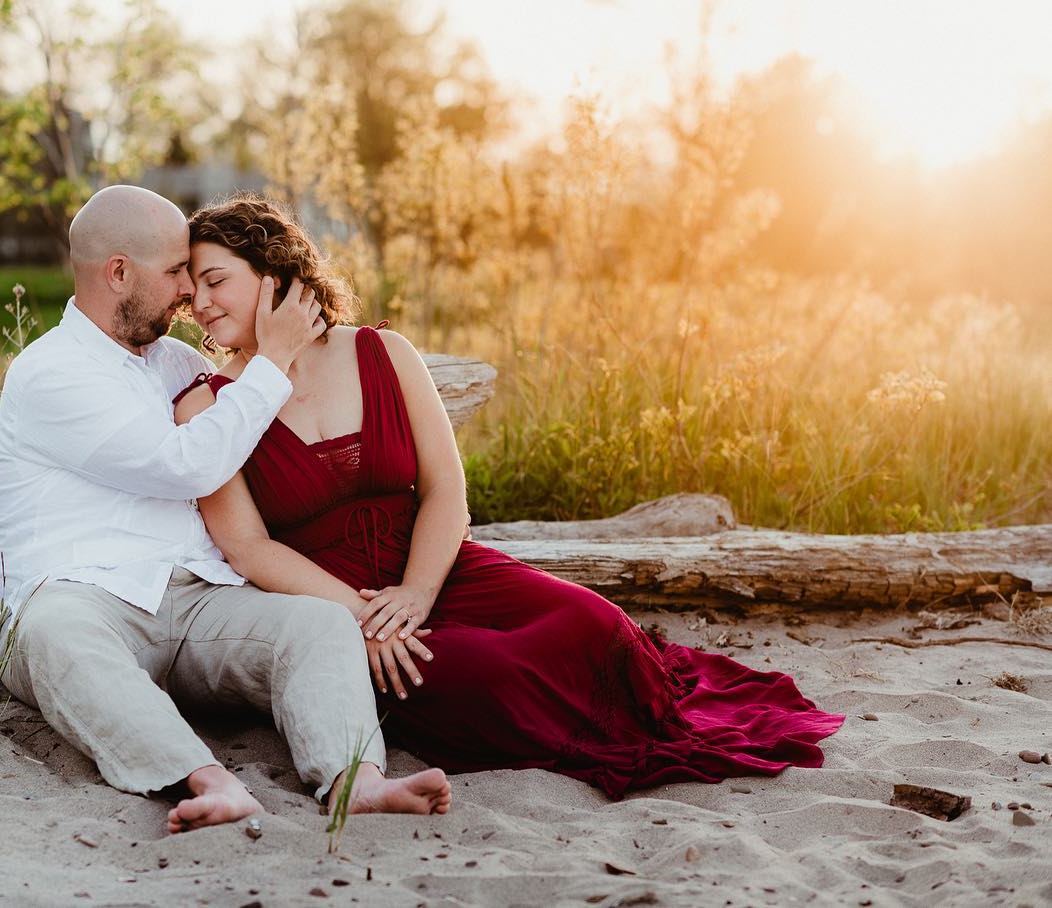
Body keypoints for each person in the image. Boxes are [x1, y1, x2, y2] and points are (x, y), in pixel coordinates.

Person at [173, 194, 845, 800]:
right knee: (490, 675)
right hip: (336, 606)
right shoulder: (209, 404)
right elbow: (247, 545)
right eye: (192, 290)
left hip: (435, 569)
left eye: (215, 281)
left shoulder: (383, 352)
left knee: (598, 624)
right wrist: (365, 619)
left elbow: (445, 491)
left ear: (272, 273)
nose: (200, 304)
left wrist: (417, 593)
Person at [0, 185, 451, 834]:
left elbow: (243, 419)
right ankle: (207, 780)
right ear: (118, 272)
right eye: (176, 272)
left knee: (316, 624)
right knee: (54, 636)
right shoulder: (49, 373)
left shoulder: (177, 363)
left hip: (200, 596)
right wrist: (276, 360)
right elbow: (187, 463)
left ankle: (357, 780)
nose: (189, 295)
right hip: (79, 593)